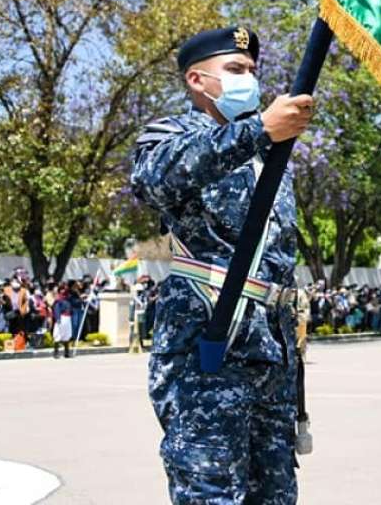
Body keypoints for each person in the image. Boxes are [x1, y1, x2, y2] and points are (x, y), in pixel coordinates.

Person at [130, 25, 313, 504]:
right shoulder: (174, 135)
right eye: (234, 70)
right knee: (210, 492)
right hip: (209, 346)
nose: (248, 79)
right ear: (197, 79)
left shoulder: (271, 156)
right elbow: (155, 180)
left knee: (274, 494)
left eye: (252, 70)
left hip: (270, 351)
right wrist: (256, 131)